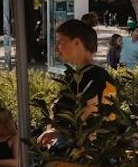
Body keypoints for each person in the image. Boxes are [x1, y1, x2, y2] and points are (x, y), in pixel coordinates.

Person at [38, 19, 117, 149]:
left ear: (76, 42)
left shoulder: (91, 76)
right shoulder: (90, 74)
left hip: (83, 154)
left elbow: (90, 114)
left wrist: (56, 131)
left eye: (60, 42)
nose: (57, 48)